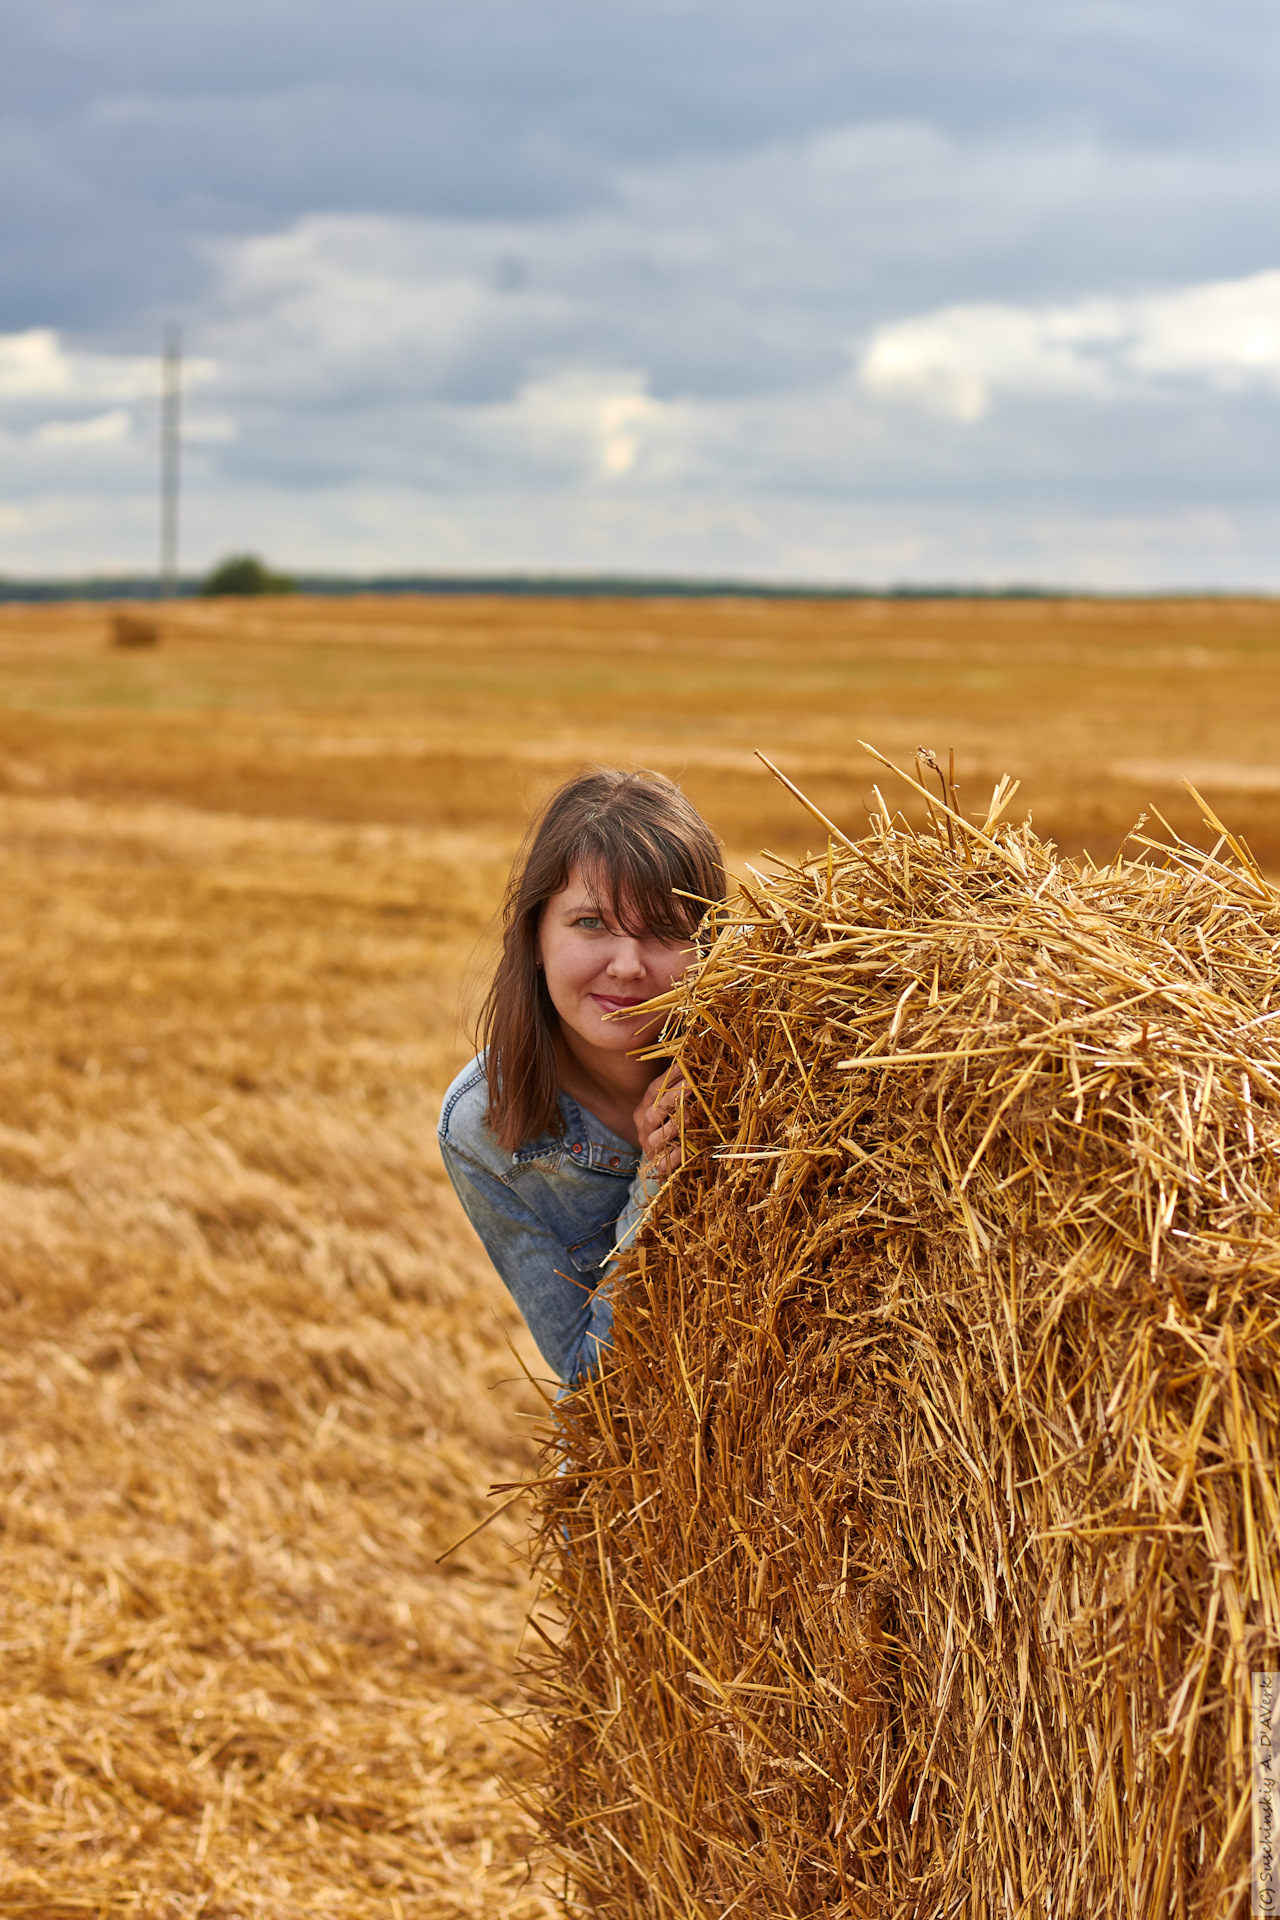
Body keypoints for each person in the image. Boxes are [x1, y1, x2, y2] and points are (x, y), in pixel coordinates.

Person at [437, 768, 725, 1388]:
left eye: (667, 930)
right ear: (535, 934)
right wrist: (655, 1184)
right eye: (591, 923)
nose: (626, 966)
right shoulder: (482, 1124)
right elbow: (586, 1376)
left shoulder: (780, 1052)